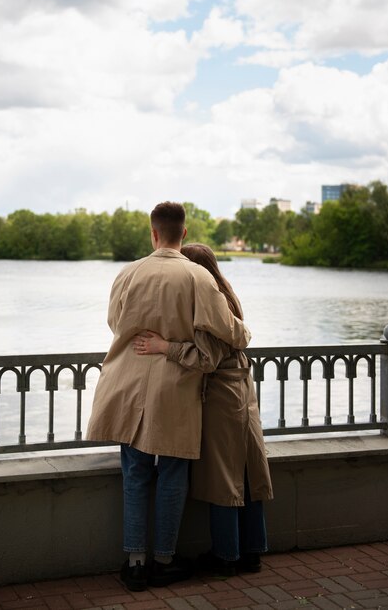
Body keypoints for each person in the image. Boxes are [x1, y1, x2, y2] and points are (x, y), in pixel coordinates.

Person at [86, 203, 250, 592]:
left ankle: (135, 562)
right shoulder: (196, 277)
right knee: (173, 475)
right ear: (185, 234)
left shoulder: (128, 273)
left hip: (126, 385)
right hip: (174, 390)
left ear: (153, 233)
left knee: (135, 472)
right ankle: (164, 560)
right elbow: (231, 332)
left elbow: (115, 322)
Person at [132, 243, 273, 577]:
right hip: (242, 395)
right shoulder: (227, 295)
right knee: (247, 474)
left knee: (222, 477)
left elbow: (206, 359)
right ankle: (252, 551)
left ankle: (226, 555)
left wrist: (165, 347)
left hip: (223, 399)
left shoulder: (209, 306)